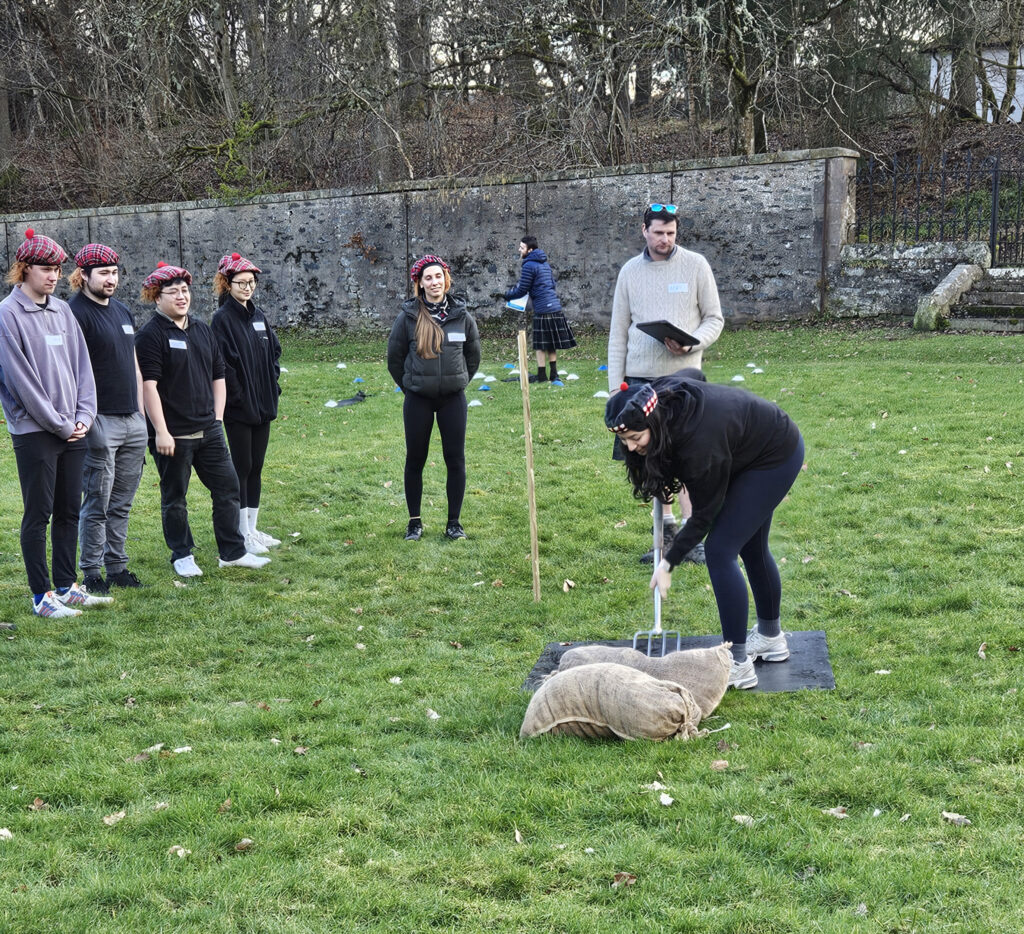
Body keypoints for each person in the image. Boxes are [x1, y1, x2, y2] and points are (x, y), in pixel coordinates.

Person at [605, 373, 804, 690]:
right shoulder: (655, 402)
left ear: (653, 424)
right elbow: (693, 376)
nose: (630, 447)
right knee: (750, 547)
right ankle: (770, 637)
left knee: (720, 550)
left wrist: (669, 562)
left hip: (774, 454)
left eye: (636, 439)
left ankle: (737, 664)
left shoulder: (699, 443)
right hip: (743, 449)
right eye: (624, 440)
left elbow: (703, 516)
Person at [0, 229, 110, 618]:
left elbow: (83, 369)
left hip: (73, 428)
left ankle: (67, 585)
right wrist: (60, 424)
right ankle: (41, 596)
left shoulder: (63, 310)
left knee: (68, 510)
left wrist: (82, 417)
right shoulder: (7, 315)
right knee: (38, 513)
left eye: (58, 269)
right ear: (24, 269)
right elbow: (20, 381)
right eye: (46, 268)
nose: (54, 276)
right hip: (35, 432)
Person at [134, 261, 270, 577]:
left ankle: (232, 552)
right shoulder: (150, 336)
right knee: (175, 499)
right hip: (173, 435)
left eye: (185, 290)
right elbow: (148, 387)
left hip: (209, 430)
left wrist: (218, 419)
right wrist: (161, 432)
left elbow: (218, 376)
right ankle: (182, 555)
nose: (182, 297)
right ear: (157, 296)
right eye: (173, 292)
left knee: (228, 488)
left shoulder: (201, 330)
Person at [607, 202, 725, 565]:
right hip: (640, 380)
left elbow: (714, 318)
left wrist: (693, 341)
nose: (665, 240)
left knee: (688, 457)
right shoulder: (629, 272)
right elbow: (618, 333)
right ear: (643, 231)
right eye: (658, 233)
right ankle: (665, 535)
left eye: (671, 233)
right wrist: (616, 387)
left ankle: (694, 536)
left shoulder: (696, 265)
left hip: (683, 382)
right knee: (652, 461)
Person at [68, 243, 147, 593]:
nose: (111, 279)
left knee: (122, 502)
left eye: (114, 272)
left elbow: (133, 363)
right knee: (97, 500)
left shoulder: (124, 312)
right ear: (83, 275)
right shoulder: (74, 314)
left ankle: (118, 568)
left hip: (133, 419)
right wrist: (83, 417)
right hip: (99, 421)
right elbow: (69, 371)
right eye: (103, 273)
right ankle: (92, 573)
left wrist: (143, 413)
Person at [387, 254, 480, 542]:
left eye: (438, 276)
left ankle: (454, 523)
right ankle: (414, 523)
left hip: (453, 399)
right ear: (420, 283)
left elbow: (473, 357)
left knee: (456, 459)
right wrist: (411, 385)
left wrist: (458, 380)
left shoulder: (462, 317)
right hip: (418, 400)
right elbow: (395, 358)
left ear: (446, 279)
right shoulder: (408, 317)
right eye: (428, 277)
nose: (434, 282)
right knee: (415, 459)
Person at [210, 252, 282, 555]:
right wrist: (237, 397)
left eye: (251, 282)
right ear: (227, 284)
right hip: (240, 408)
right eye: (241, 283)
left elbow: (274, 352)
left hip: (263, 402)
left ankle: (252, 528)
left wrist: (272, 385)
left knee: (256, 467)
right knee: (241, 467)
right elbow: (224, 364)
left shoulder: (257, 314)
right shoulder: (222, 319)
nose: (248, 288)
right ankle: (241, 532)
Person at [504, 234, 576, 385]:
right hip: (555, 307)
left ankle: (542, 375)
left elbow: (522, 289)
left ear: (530, 250)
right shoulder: (545, 264)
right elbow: (552, 285)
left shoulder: (529, 265)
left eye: (522, 247)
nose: (519, 249)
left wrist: (508, 295)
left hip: (542, 309)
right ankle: (554, 375)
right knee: (552, 343)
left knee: (540, 344)